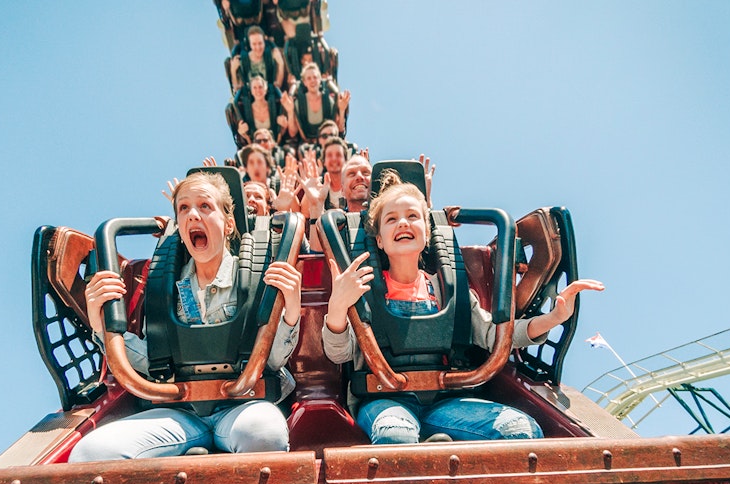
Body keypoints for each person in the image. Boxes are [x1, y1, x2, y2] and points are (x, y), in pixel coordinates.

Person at [322, 171, 604, 445]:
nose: (403, 224)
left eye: (412, 217)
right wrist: (338, 305)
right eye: (392, 219)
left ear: (428, 232)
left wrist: (553, 317)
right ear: (380, 240)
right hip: (384, 398)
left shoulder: (450, 290)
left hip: (448, 398)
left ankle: (435, 443)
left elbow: (497, 337)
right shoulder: (362, 288)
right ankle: (426, 445)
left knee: (521, 429)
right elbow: (339, 353)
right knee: (395, 435)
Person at [69, 172, 302, 461]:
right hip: (181, 410)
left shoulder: (255, 275)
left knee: (263, 434)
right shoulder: (164, 286)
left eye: (205, 206)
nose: (193, 215)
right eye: (184, 208)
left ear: (229, 224)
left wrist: (291, 309)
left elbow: (275, 359)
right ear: (179, 227)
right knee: (90, 453)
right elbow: (150, 361)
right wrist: (99, 322)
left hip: (243, 403)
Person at [288, 63, 349, 143]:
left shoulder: (328, 101)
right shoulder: (299, 103)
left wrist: (341, 110)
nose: (312, 80)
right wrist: (290, 111)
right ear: (304, 82)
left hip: (328, 142)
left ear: (320, 80)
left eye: (315, 77)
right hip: (307, 143)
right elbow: (292, 133)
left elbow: (340, 129)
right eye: (309, 78)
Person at [229, 26, 286, 93]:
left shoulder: (270, 56)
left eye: (260, 43)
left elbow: (278, 85)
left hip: (269, 94)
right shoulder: (243, 60)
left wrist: (281, 63)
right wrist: (233, 70)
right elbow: (237, 89)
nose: (258, 48)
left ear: (264, 42)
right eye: (254, 44)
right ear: (250, 44)